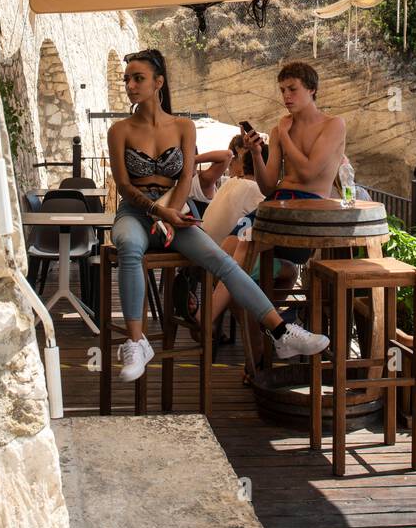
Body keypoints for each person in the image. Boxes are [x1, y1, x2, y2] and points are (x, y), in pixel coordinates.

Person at [107, 49, 329, 382]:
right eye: (127, 79)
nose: (130, 85)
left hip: (176, 211)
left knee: (224, 262)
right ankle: (137, 342)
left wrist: (170, 214)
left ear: (158, 82)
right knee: (129, 245)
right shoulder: (119, 130)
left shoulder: (183, 126)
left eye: (138, 78)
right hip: (137, 210)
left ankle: (281, 333)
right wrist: (158, 212)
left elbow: (184, 179)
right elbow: (124, 185)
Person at [239, 60, 346, 279]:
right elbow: (268, 186)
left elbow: (308, 172)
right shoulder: (279, 129)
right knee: (229, 245)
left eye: (293, 89)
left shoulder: (333, 125)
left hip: (307, 209)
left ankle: (217, 312)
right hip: (276, 203)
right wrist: (256, 153)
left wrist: (285, 135)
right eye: (282, 90)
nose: (286, 96)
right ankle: (237, 311)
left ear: (311, 89)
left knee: (242, 253)